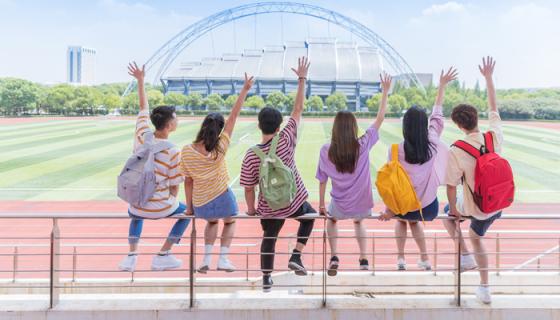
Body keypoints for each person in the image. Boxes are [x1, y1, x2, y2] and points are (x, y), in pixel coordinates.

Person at [240, 57, 314, 292]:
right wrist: (301, 78)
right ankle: (296, 255)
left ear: (259, 126)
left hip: (269, 206)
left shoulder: (251, 155)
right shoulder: (286, 138)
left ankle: (266, 279)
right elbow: (298, 109)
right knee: (310, 216)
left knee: (269, 237)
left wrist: (252, 210)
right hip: (293, 201)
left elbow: (249, 187)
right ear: (279, 125)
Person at [379, 67, 458, 271]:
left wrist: (389, 209)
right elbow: (437, 117)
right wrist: (441, 86)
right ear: (424, 126)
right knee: (413, 221)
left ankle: (401, 258)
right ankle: (424, 258)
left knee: (402, 218)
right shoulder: (432, 144)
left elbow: (392, 184)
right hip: (427, 208)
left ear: (405, 126)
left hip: (401, 206)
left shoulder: (395, 150)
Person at [316, 73, 391, 276]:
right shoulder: (363, 144)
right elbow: (380, 118)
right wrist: (385, 91)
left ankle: (334, 256)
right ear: (353, 128)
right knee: (359, 222)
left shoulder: (326, 150)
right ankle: (364, 258)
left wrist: (322, 205)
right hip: (363, 205)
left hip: (339, 205)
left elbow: (322, 180)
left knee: (331, 220)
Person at [180, 73, 254, 273]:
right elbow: (234, 117)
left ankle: (205, 260)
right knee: (230, 222)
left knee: (212, 222)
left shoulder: (186, 150)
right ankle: (223, 259)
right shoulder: (221, 146)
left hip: (200, 202)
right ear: (219, 130)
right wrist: (244, 90)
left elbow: (188, 181)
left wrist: (189, 208)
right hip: (223, 196)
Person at [118, 62, 189, 272]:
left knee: (135, 212)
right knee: (187, 214)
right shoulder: (173, 151)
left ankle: (131, 255)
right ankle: (163, 254)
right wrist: (169, 199)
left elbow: (143, 108)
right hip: (161, 206)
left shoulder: (141, 135)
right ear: (168, 126)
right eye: (175, 119)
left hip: (137, 203)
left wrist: (141, 80)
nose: (178, 121)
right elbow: (175, 186)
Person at [443, 56, 502, 304]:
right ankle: (483, 285)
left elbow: (450, 185)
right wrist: (488, 78)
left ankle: (480, 279)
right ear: (477, 119)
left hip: (476, 208)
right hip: (497, 203)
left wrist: (455, 209)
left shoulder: (457, 149)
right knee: (475, 232)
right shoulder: (493, 137)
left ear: (458, 125)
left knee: (450, 217)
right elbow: (494, 109)